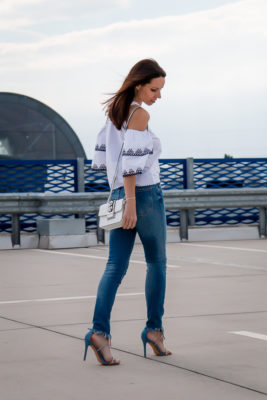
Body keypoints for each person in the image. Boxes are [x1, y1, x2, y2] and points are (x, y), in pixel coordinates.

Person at [83, 58, 172, 366]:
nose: (157, 96)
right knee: (157, 264)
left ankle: (99, 333)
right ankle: (154, 331)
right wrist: (133, 202)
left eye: (160, 90)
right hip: (143, 196)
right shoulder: (139, 114)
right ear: (138, 84)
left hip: (120, 195)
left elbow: (107, 160)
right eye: (154, 89)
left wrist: (125, 196)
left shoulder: (115, 114)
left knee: (114, 267)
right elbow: (133, 165)